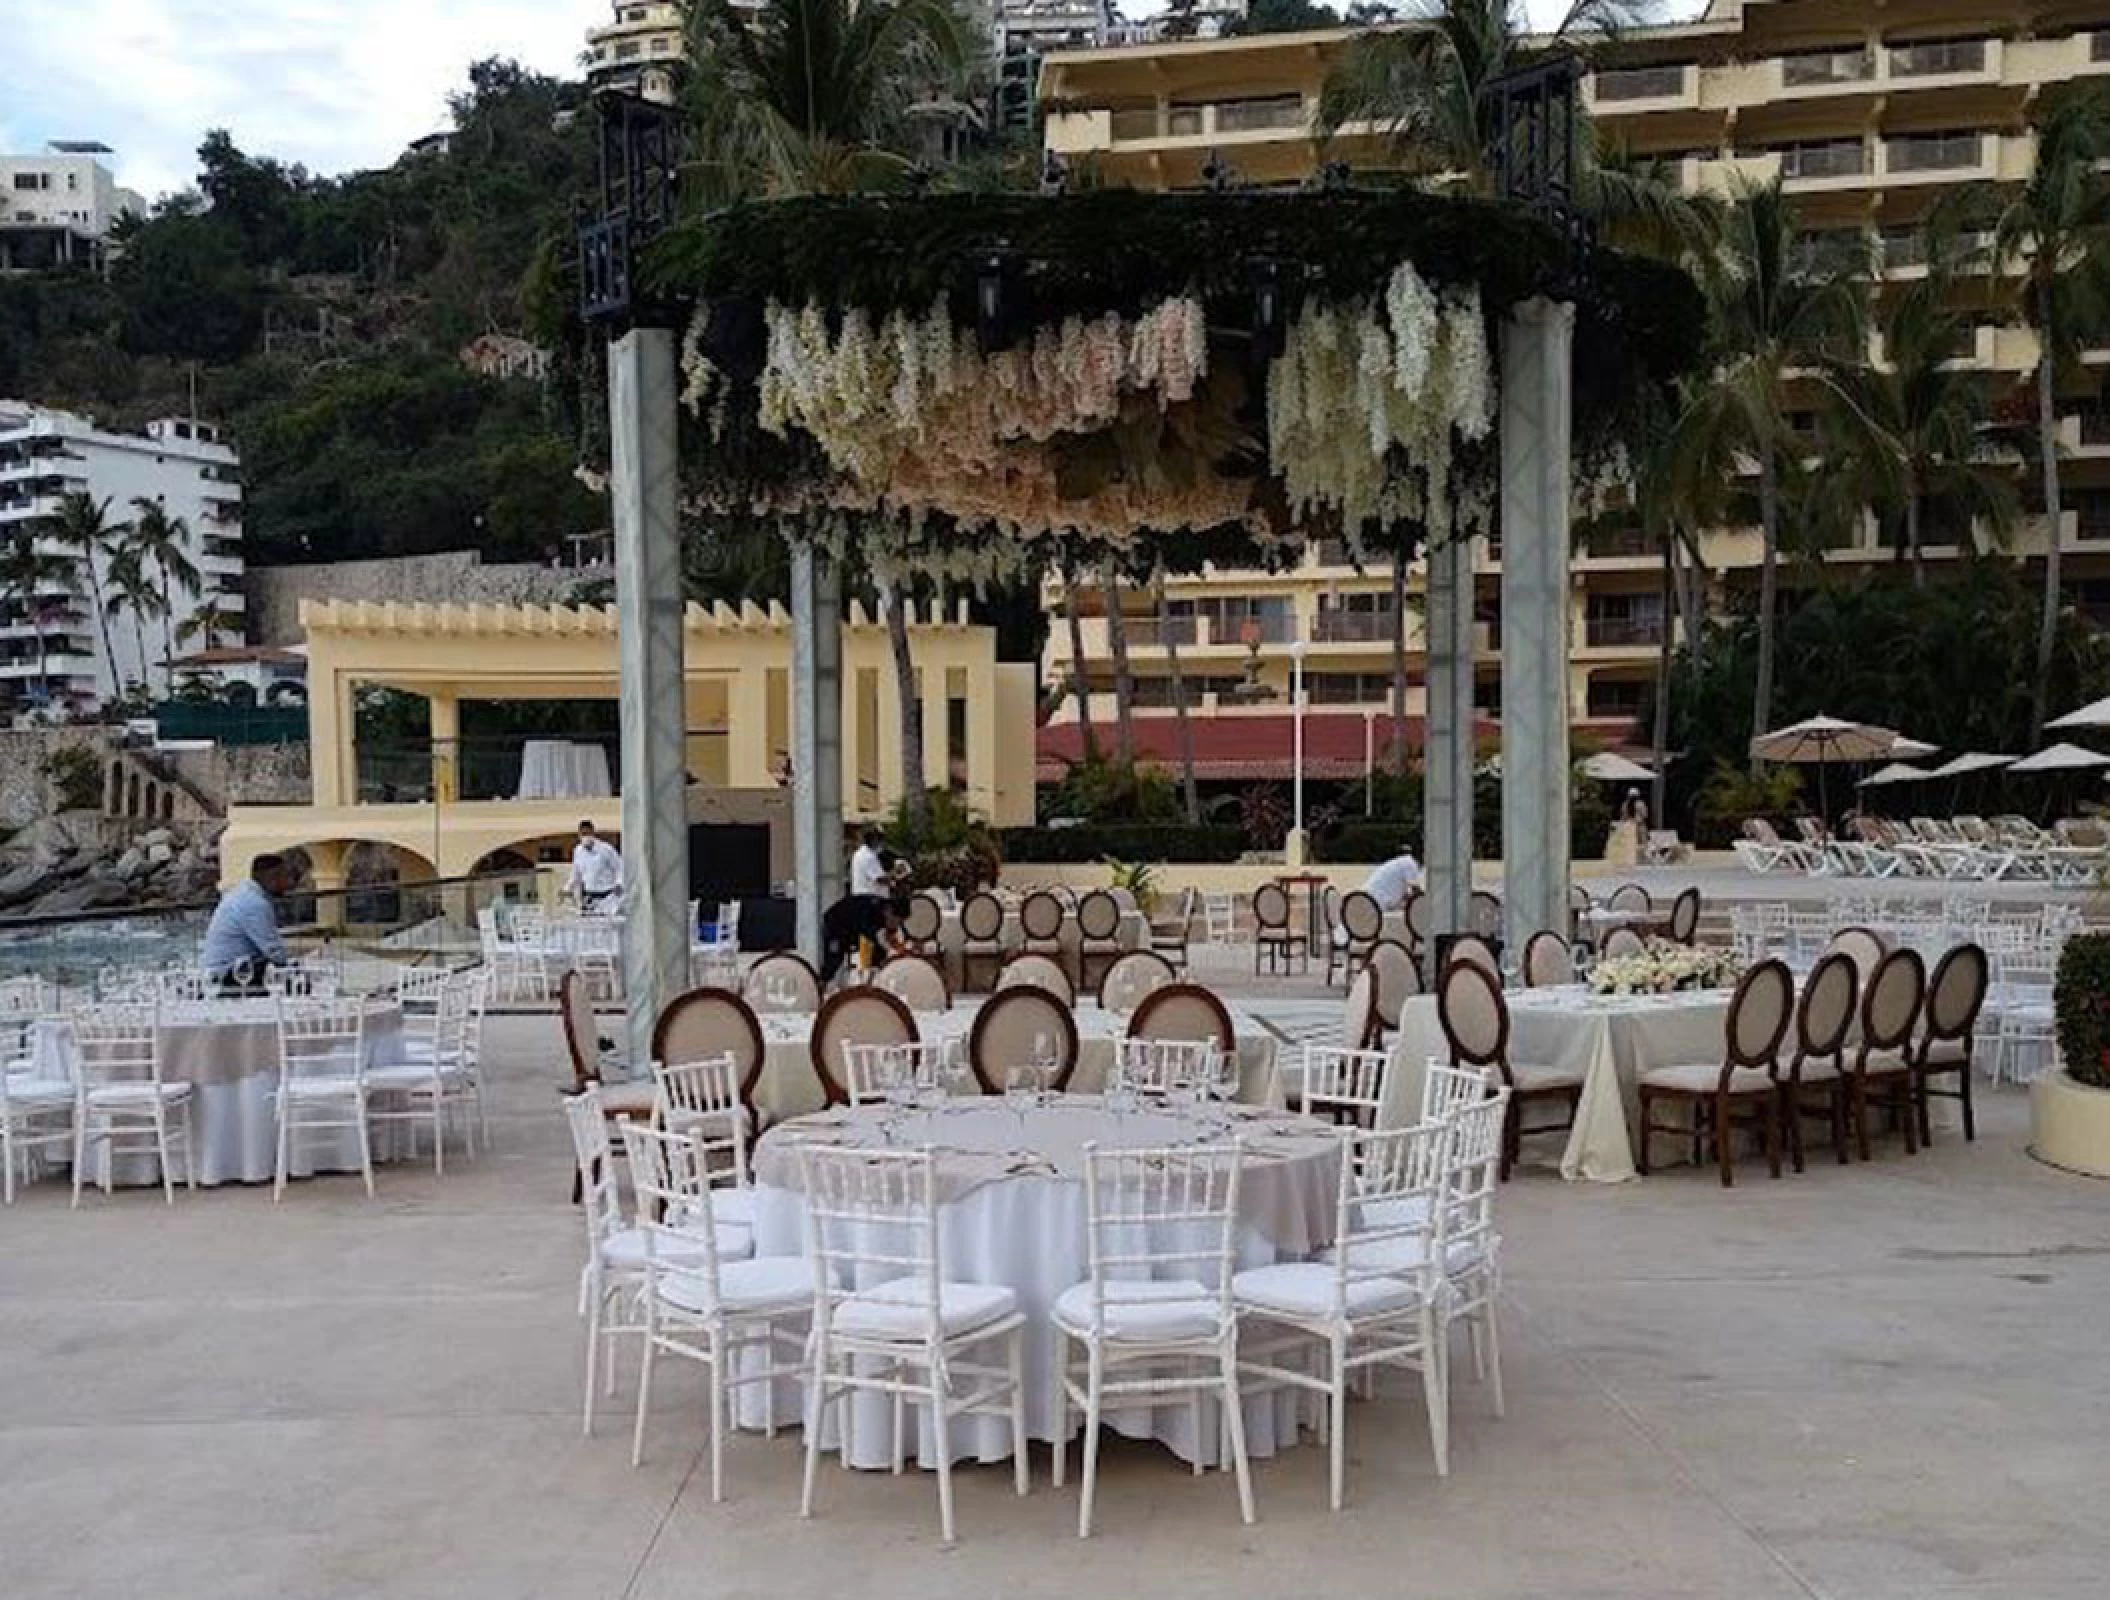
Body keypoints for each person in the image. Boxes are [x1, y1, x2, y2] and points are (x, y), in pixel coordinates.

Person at [203, 854, 294, 991]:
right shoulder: (254, 904)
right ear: (272, 877)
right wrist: (299, 966)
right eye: (286, 876)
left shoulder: (242, 894)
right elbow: (274, 951)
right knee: (296, 981)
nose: (290, 883)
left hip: (219, 972)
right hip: (230, 975)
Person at [821, 890, 908, 985]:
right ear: (888, 911)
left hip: (854, 931)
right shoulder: (870, 908)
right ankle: (821, 983)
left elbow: (879, 948)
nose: (895, 925)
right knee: (834, 958)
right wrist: (882, 940)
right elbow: (870, 933)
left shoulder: (885, 918)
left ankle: (868, 982)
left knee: (875, 954)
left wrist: (875, 970)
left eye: (899, 923)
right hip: (836, 924)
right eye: (894, 921)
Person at [567, 821, 624, 914]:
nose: (586, 836)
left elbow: (619, 867)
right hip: (589, 896)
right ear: (579, 835)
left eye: (588, 833)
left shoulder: (606, 849)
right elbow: (575, 873)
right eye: (583, 834)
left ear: (593, 833)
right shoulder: (578, 851)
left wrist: (619, 883)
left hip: (607, 897)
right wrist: (567, 888)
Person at [1362, 847, 1423, 911]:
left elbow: (1406, 895)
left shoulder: (1403, 862)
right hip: (1376, 903)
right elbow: (1416, 890)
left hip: (1368, 898)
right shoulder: (1410, 863)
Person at [849, 828, 891, 900]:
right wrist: (895, 874)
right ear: (873, 840)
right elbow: (880, 879)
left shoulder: (859, 853)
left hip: (861, 896)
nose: (883, 843)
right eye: (880, 839)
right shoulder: (868, 856)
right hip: (869, 898)